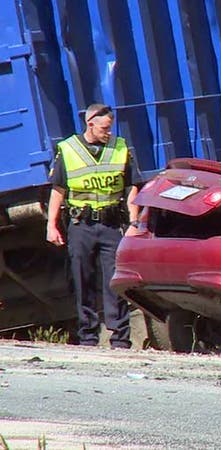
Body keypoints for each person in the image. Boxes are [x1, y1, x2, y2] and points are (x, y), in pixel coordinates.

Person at [46, 103, 142, 349]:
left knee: (116, 283)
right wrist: (51, 225)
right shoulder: (68, 150)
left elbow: (131, 187)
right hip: (81, 226)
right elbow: (58, 190)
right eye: (104, 128)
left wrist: (133, 222)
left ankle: (120, 338)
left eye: (110, 128)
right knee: (83, 280)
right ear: (90, 124)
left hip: (111, 225)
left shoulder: (120, 147)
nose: (108, 133)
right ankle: (88, 337)